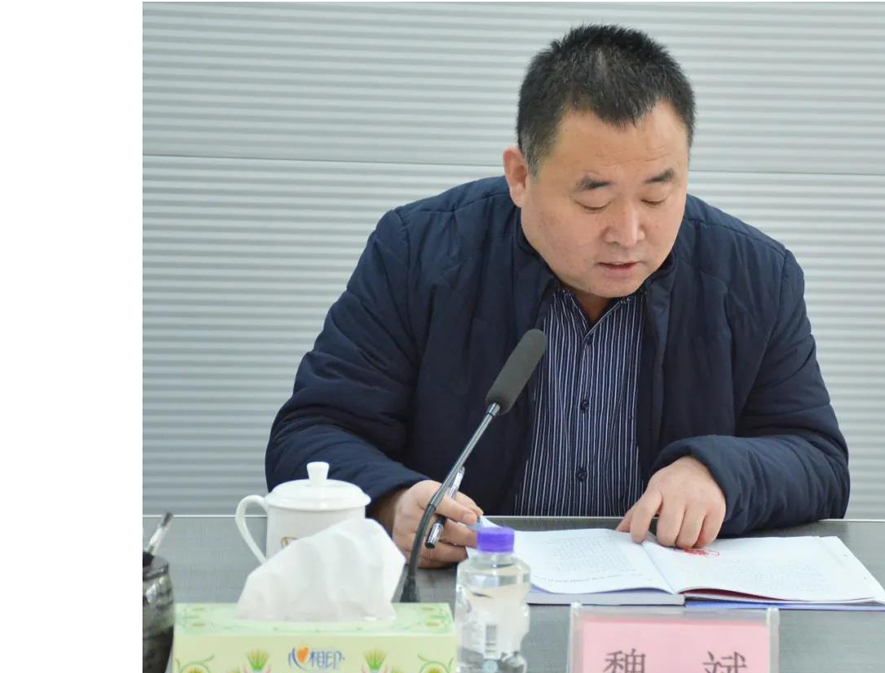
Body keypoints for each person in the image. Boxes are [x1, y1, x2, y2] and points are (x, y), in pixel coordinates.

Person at [265, 24, 849, 568]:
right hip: (476, 589)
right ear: (520, 177)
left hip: (665, 604)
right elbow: (312, 433)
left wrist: (720, 474)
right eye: (594, 200)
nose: (628, 233)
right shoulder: (419, 253)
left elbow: (818, 460)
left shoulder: (754, 276)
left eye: (655, 196)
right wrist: (392, 500)